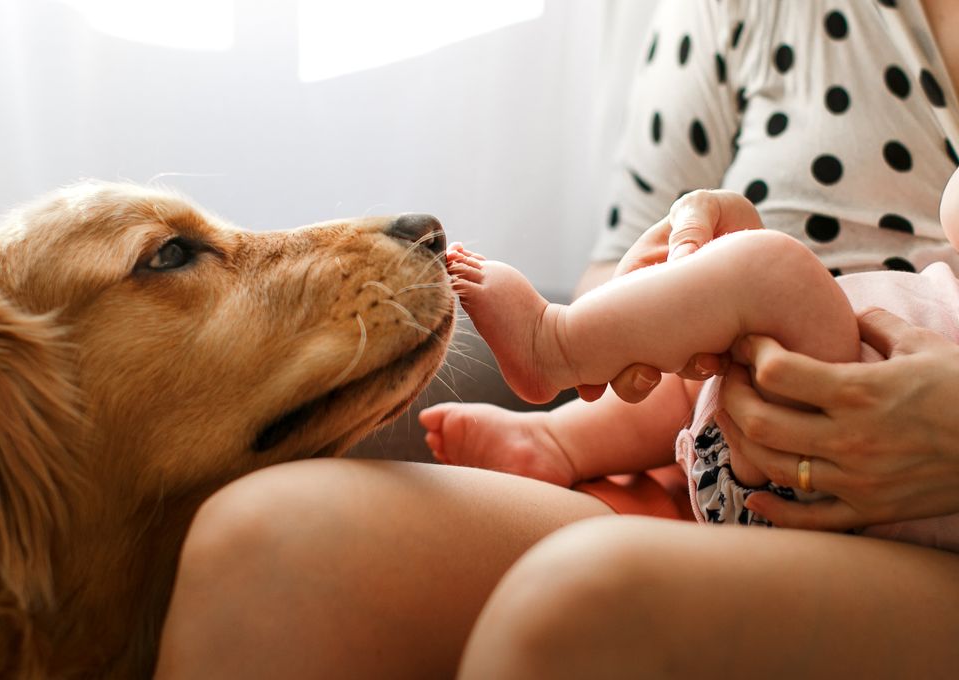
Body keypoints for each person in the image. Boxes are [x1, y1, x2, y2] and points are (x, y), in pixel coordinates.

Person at [154, 1, 959, 677]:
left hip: (921, 542)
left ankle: (556, 344)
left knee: (585, 600)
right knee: (268, 542)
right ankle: (561, 430)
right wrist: (678, 276)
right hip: (719, 455)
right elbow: (635, 283)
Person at [426, 183, 959, 549]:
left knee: (772, 275)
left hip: (855, 481)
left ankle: (555, 344)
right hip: (796, 434)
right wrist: (688, 285)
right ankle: (557, 441)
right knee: (704, 362)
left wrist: (734, 275)